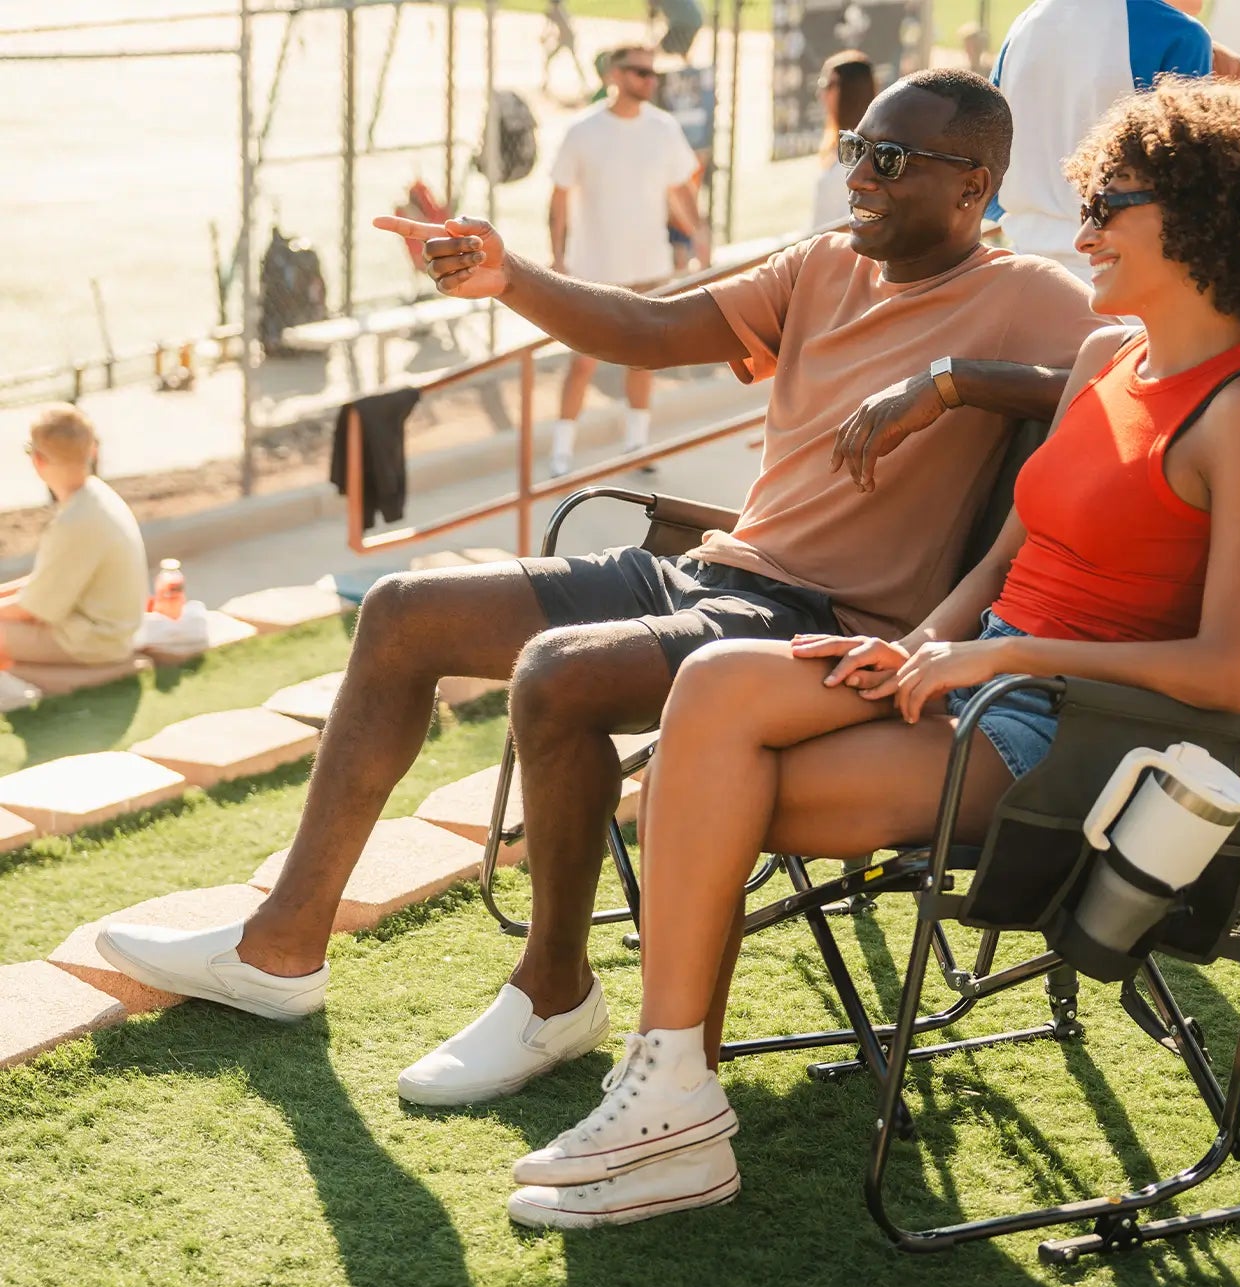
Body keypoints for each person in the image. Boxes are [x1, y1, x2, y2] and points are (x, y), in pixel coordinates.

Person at [99, 71, 1108, 1108]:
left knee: (559, 676)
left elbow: (1139, 385)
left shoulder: (1029, 295)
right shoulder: (821, 265)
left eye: (888, 160)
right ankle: (279, 950)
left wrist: (958, 379)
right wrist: (508, 276)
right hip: (715, 570)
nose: (858, 173)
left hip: (822, 623)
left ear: (973, 184)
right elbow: (652, 330)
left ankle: (554, 994)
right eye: (856, 145)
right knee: (403, 612)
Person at [502, 77, 1240, 1231]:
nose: (1088, 225)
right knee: (711, 694)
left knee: (697, 787)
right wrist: (920, 646)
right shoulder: (1111, 352)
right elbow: (1012, 552)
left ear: (1204, 215)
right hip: (978, 680)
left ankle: (674, 1111)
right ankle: (676, 1096)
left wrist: (987, 666)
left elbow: (1225, 672)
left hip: (1067, 737)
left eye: (1113, 201)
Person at [985, 0, 1235, 280]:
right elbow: (1189, 191)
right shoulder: (1180, 34)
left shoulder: (1023, 25)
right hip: (1122, 281)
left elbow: (992, 176)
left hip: (1021, 267)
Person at [546, 42, 706, 478]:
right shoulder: (582, 130)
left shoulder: (664, 128)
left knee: (644, 356)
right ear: (613, 75)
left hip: (649, 266)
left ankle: (636, 445)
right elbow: (559, 196)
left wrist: (700, 238)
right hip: (592, 269)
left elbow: (682, 190)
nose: (648, 80)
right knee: (582, 360)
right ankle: (562, 450)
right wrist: (558, 258)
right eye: (638, 72)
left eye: (653, 73)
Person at [0, 406, 147, 690]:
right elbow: (42, 586)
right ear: (91, 450)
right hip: (109, 631)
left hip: (97, 641)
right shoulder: (95, 498)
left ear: (38, 460)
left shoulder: (75, 521)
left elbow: (34, 608)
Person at [810, 51, 876, 230]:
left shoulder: (860, 155)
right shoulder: (842, 144)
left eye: (826, 84)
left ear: (848, 91)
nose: (820, 94)